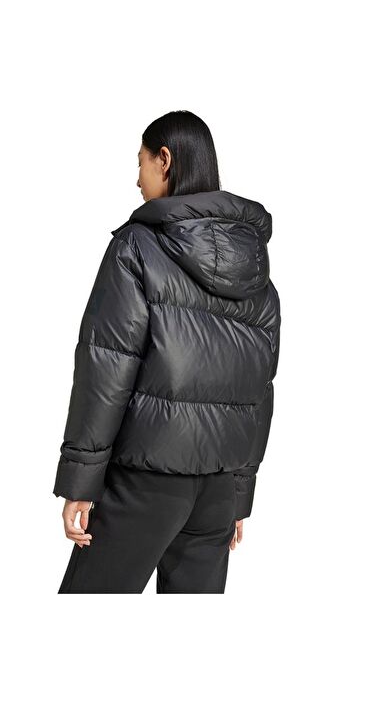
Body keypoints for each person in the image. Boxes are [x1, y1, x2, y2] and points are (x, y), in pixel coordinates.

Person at [53, 110, 281, 593]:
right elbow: (259, 390)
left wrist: (79, 482)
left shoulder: (137, 246)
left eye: (139, 163)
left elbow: (106, 369)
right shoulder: (257, 270)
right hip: (217, 490)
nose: (137, 179)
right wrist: (239, 495)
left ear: (165, 159)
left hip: (145, 479)